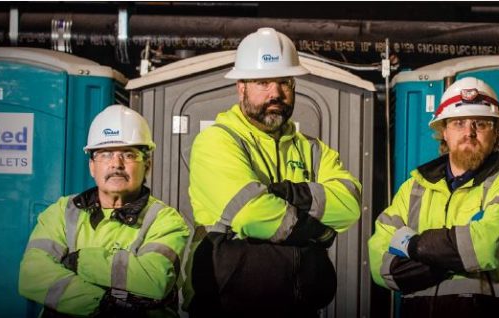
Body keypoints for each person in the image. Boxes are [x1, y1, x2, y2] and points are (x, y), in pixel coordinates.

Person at [186, 27, 362, 317]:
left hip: (299, 308)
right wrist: (317, 231)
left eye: (284, 82)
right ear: (241, 86)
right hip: (226, 306)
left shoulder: (312, 149)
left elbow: (351, 203)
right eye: (263, 82)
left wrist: (286, 194)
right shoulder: (217, 141)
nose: (276, 93)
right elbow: (250, 214)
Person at [368, 77, 499, 317]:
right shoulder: (414, 188)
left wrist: (413, 245)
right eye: (458, 123)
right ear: (444, 132)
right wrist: (456, 254)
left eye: (480, 124)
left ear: (495, 133)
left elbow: (488, 246)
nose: (469, 133)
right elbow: (380, 265)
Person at [19, 105, 191, 317]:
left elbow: (154, 279)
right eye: (106, 154)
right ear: (92, 166)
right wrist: (103, 304)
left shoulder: (164, 220)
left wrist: (78, 262)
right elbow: (32, 275)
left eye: (128, 155)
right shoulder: (63, 212)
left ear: (147, 165)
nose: (116, 164)